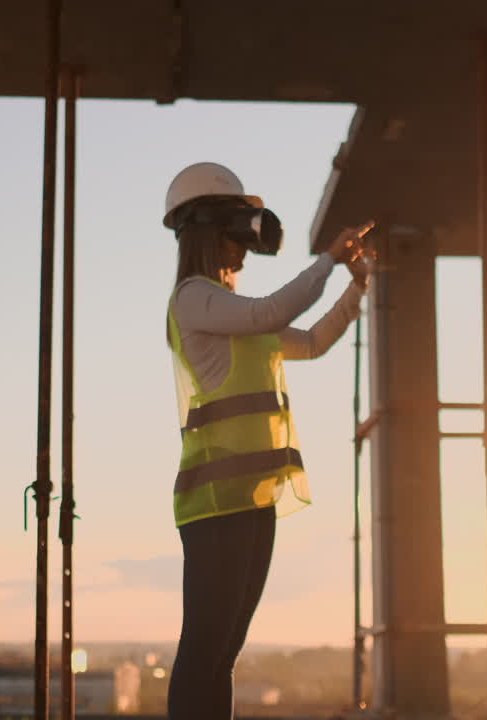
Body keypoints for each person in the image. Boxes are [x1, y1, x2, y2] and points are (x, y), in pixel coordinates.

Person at [161, 162, 371, 718]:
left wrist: (356, 289)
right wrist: (328, 257)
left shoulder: (241, 320)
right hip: (212, 506)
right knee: (204, 647)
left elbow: (313, 340)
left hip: (253, 502)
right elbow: (273, 310)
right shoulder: (193, 300)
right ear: (210, 229)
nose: (246, 249)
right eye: (238, 233)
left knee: (225, 653)